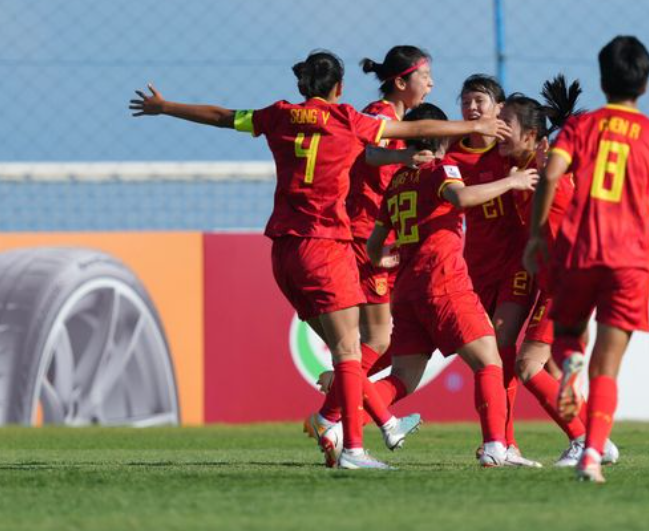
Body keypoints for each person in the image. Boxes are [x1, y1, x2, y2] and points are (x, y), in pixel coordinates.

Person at [129, 50, 510, 470]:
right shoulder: (349, 119)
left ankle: (361, 418)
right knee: (355, 349)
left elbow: (222, 116)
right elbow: (416, 129)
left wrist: (165, 107)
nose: (432, 82)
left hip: (282, 250)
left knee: (356, 350)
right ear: (339, 88)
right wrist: (474, 126)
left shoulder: (278, 115)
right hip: (326, 243)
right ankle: (352, 442)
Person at [523, 36, 649, 482]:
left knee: (568, 339)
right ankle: (592, 455)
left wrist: (536, 236)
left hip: (580, 250)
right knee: (608, 368)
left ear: (602, 79)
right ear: (645, 84)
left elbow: (549, 176)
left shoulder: (581, 128)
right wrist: (639, 208)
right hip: (630, 261)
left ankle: (569, 363)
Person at [366, 102, 540, 466]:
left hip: (407, 292)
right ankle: (496, 447)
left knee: (402, 378)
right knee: (489, 361)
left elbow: (374, 244)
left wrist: (381, 260)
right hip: (443, 283)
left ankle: (338, 420)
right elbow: (460, 197)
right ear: (441, 135)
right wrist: (512, 181)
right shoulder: (442, 168)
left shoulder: (397, 181)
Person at [305, 46, 435, 454]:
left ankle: (336, 398)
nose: (431, 84)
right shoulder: (379, 115)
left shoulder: (396, 119)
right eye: (425, 76)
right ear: (401, 81)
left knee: (377, 340)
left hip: (376, 236)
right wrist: (406, 156)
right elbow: (367, 152)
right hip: (363, 235)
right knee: (376, 339)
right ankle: (334, 412)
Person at [497, 77, 620, 468]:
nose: (497, 130)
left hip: (569, 282)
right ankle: (597, 440)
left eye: (505, 123)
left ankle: (584, 441)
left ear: (532, 135)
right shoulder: (526, 169)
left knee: (527, 365)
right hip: (558, 281)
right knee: (552, 367)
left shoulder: (548, 168)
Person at [443, 75, 540, 466]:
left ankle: (504, 442)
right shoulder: (451, 152)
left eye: (479, 101)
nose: (471, 108)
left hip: (517, 263)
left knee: (501, 346)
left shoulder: (513, 150)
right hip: (473, 267)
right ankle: (499, 441)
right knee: (488, 358)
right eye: (465, 101)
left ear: (500, 108)